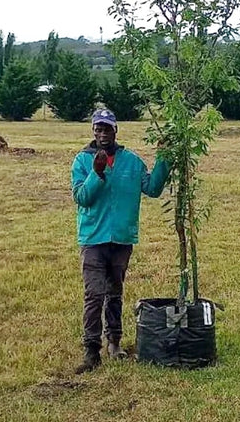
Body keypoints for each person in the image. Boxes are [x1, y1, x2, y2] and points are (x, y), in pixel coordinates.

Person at [71, 108, 170, 373]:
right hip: (93, 238)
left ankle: (114, 342)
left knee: (115, 292)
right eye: (98, 129)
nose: (102, 133)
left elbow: (153, 188)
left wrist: (165, 157)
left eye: (107, 129)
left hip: (122, 238)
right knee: (94, 294)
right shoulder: (82, 160)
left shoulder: (131, 162)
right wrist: (97, 174)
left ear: (116, 131)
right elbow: (81, 197)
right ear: (93, 131)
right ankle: (92, 350)